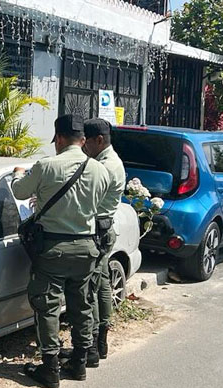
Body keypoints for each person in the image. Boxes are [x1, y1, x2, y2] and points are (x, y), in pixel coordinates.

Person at [12, 114, 109, 388]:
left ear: (60, 138)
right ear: (83, 140)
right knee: (82, 305)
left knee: (48, 307)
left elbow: (19, 192)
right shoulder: (100, 170)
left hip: (53, 249)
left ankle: (50, 368)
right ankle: (79, 363)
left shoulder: (46, 166)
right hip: (87, 248)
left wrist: (18, 174)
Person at [82, 118, 126, 362]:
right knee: (102, 283)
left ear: (99, 140)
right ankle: (100, 342)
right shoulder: (109, 161)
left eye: (86, 142)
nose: (83, 146)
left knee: (92, 286)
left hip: (98, 230)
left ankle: (94, 343)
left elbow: (87, 199)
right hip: (105, 228)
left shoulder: (104, 166)